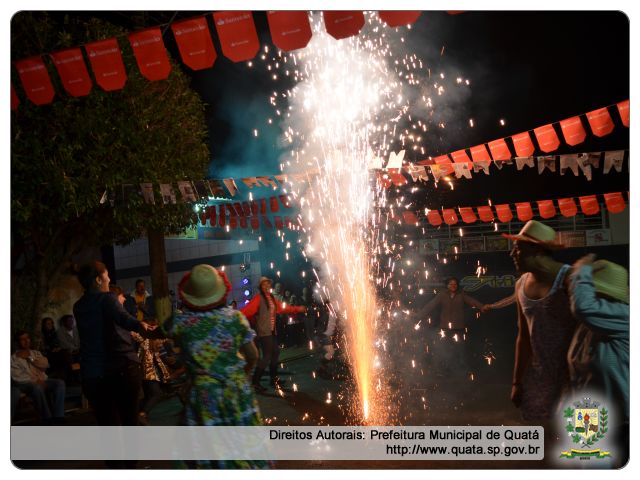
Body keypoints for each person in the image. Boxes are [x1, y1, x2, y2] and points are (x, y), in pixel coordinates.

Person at [168, 264, 267, 469]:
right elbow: (253, 356)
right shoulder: (235, 318)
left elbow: (159, 332)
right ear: (220, 292)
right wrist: (243, 376)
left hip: (203, 397)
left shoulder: (180, 322)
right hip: (236, 392)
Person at [503, 220, 577, 421]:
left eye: (518, 249)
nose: (512, 254)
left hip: (573, 376)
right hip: (539, 377)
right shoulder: (520, 285)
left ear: (537, 251)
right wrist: (517, 383)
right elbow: (523, 337)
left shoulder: (569, 278)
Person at [73, 261, 155, 428]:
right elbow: (124, 318)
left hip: (92, 374)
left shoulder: (78, 306)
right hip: (119, 369)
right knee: (129, 422)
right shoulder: (107, 298)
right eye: (107, 275)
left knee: (107, 425)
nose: (109, 279)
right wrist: (141, 326)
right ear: (98, 280)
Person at [566, 254, 629, 426]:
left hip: (623, 423)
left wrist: (582, 270)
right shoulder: (587, 328)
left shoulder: (626, 316)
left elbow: (584, 307)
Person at [241, 277, 306, 392]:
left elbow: (283, 308)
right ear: (260, 287)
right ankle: (255, 382)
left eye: (268, 284)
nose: (266, 286)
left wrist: (297, 309)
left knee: (275, 352)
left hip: (271, 331)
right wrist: (235, 315)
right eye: (264, 285)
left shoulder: (271, 298)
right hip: (264, 332)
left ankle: (273, 379)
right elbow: (247, 311)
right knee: (267, 356)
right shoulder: (258, 298)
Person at [418, 277, 487, 376]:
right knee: (443, 350)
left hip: (459, 328)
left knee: (461, 351)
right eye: (451, 284)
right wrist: (419, 314)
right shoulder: (442, 295)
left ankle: (464, 371)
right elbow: (431, 305)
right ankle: (440, 371)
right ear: (447, 285)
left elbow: (472, 301)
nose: (453, 286)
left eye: (455, 284)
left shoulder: (461, 295)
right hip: (445, 328)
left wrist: (482, 306)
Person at [11, 331, 65, 424]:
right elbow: (18, 376)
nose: (26, 341)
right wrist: (36, 381)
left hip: (42, 380)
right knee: (37, 387)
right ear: (17, 342)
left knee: (59, 383)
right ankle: (46, 418)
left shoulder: (35, 353)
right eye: (22, 339)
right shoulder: (13, 358)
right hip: (25, 384)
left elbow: (45, 365)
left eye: (27, 338)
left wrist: (30, 358)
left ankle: (58, 416)